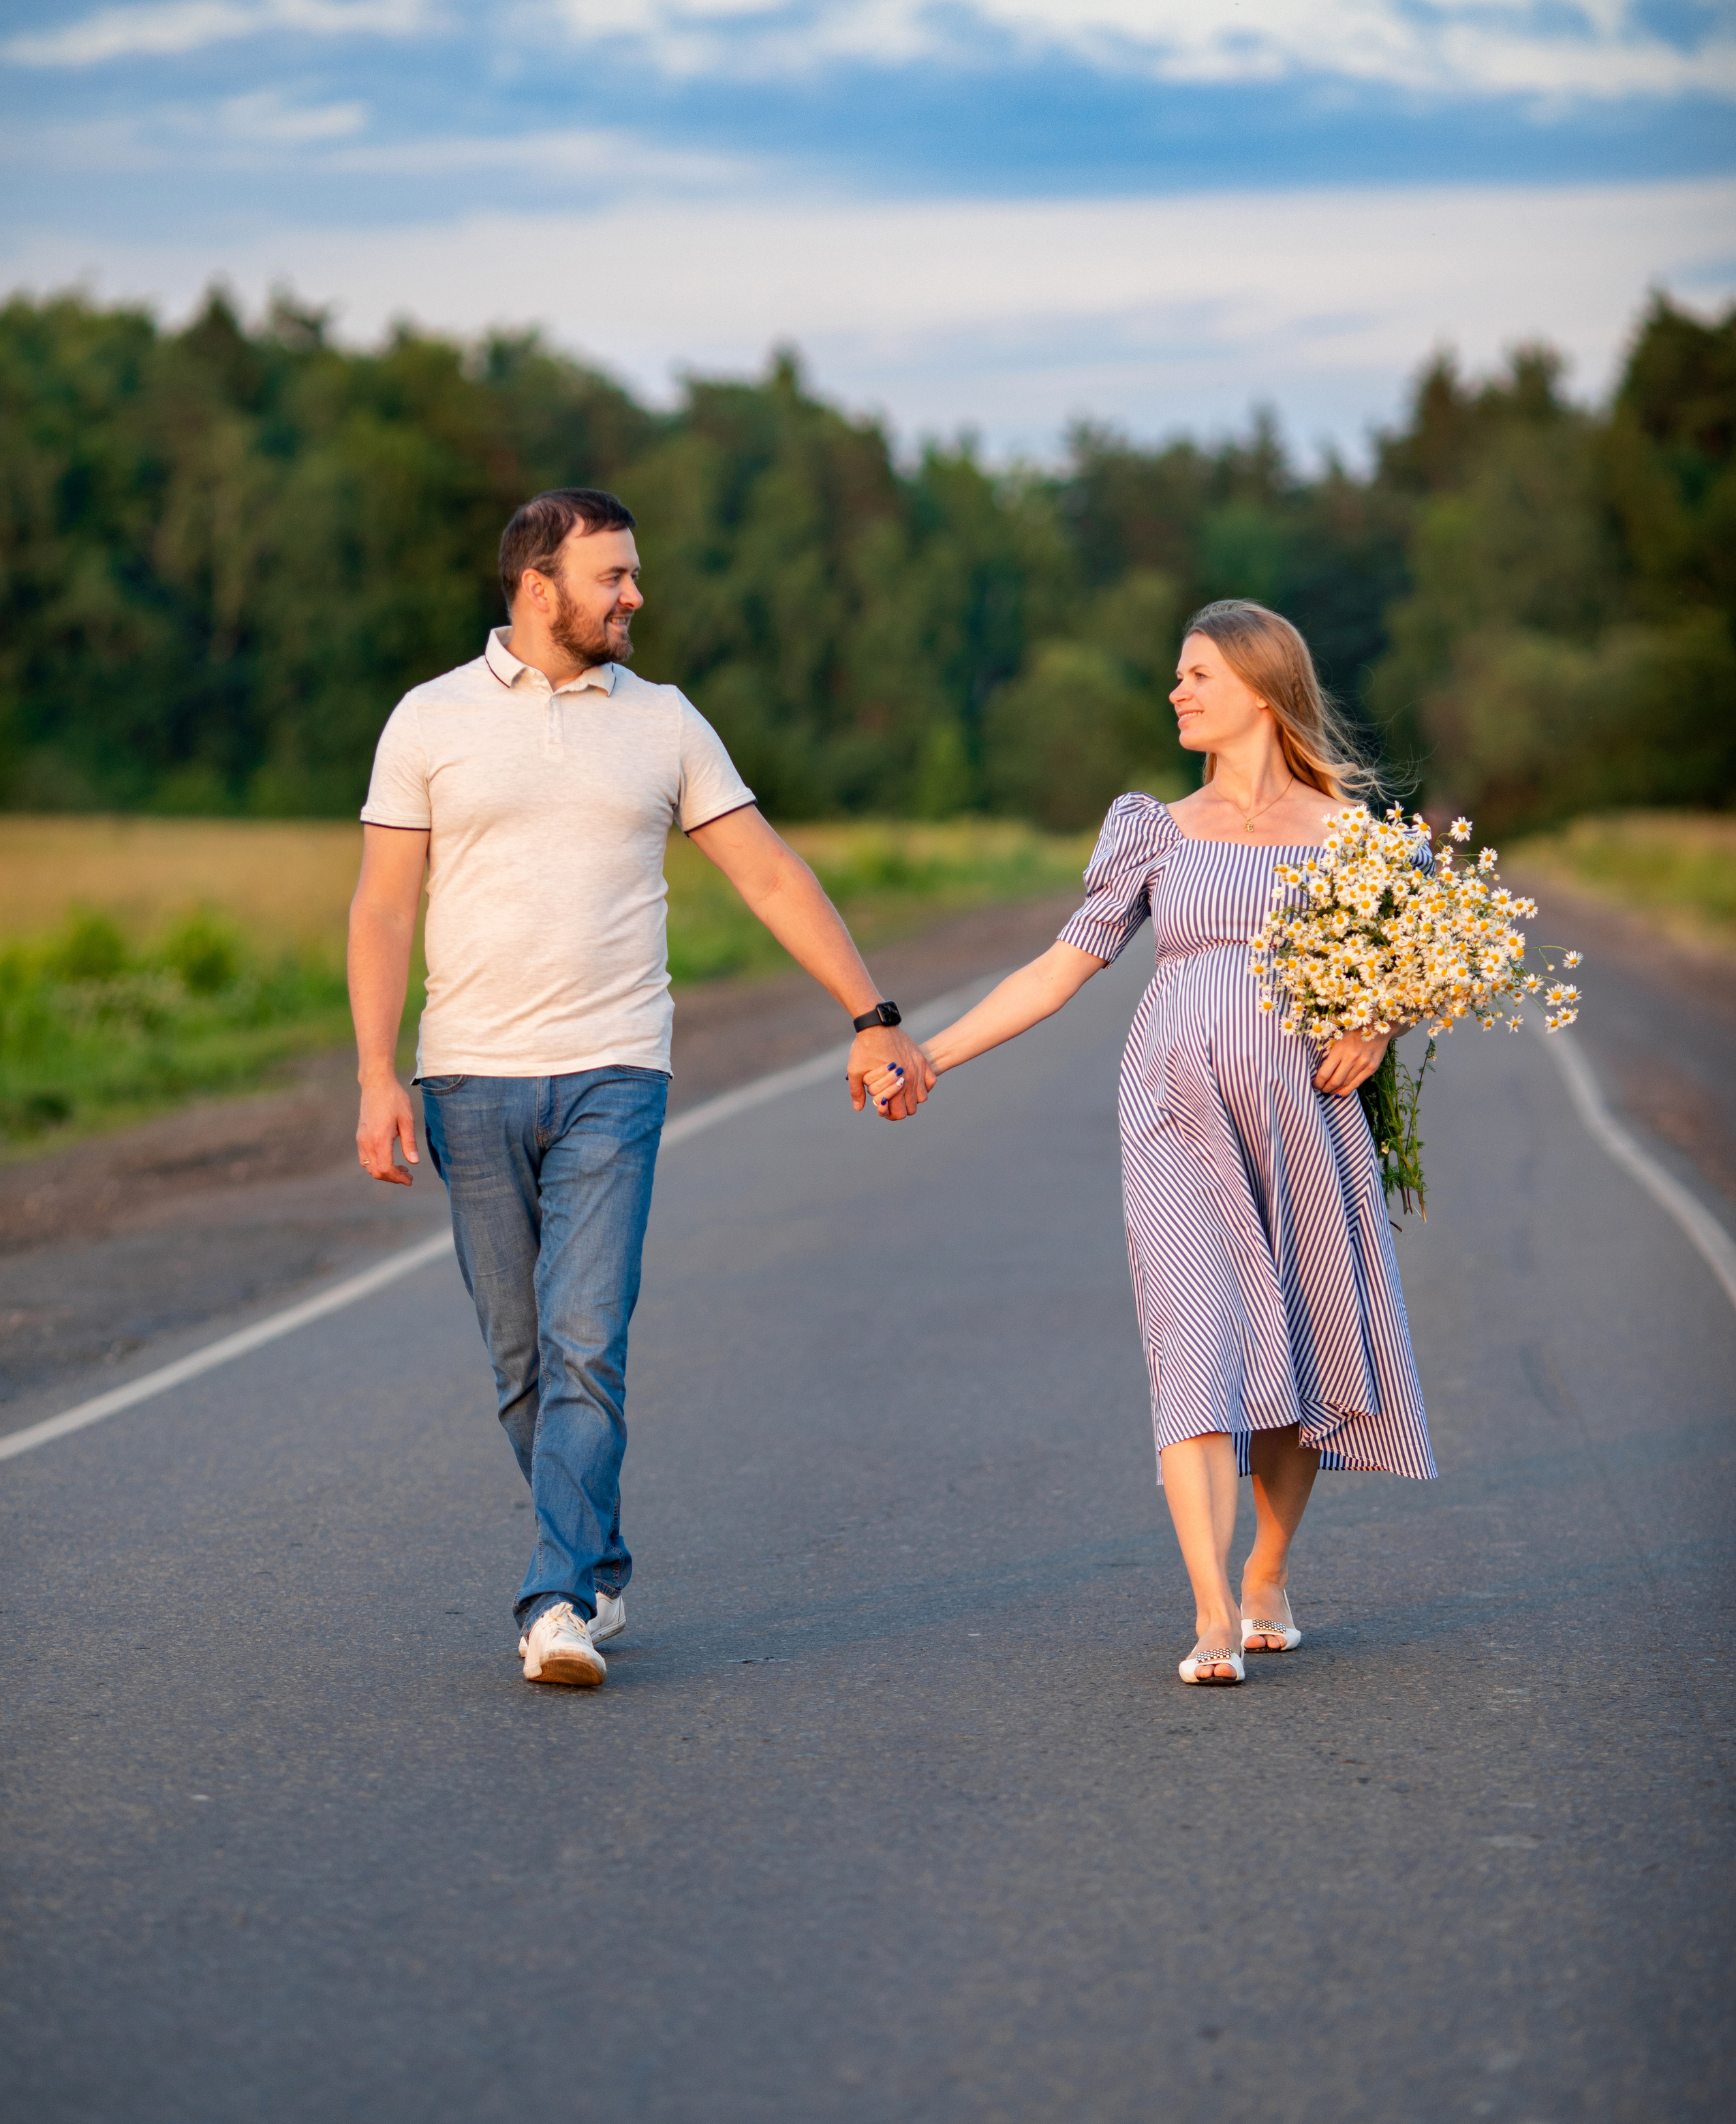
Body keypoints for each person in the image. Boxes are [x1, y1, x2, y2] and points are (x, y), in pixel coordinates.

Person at [348, 488, 935, 1689]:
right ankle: (601, 1557)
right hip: (469, 1075)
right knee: (520, 1354)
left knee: (584, 1339)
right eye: (612, 576)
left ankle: (554, 1603)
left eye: (632, 575)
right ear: (537, 586)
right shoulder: (429, 720)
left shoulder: (663, 721)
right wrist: (374, 1071)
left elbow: (768, 874)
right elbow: (382, 905)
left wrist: (872, 1016)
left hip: (619, 1069)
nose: (635, 596)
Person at [918, 600, 1435, 1686]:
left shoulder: (1351, 833)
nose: (1177, 692)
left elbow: (1417, 962)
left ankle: (1268, 1574)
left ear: (1259, 687)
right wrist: (931, 1056)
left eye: (1196, 674)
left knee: (1298, 1338)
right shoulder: (1153, 826)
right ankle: (1208, 1613)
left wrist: (1376, 1022)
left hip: (1303, 1108)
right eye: (1176, 675)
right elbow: (1059, 969)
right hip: (1172, 1107)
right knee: (1194, 1339)